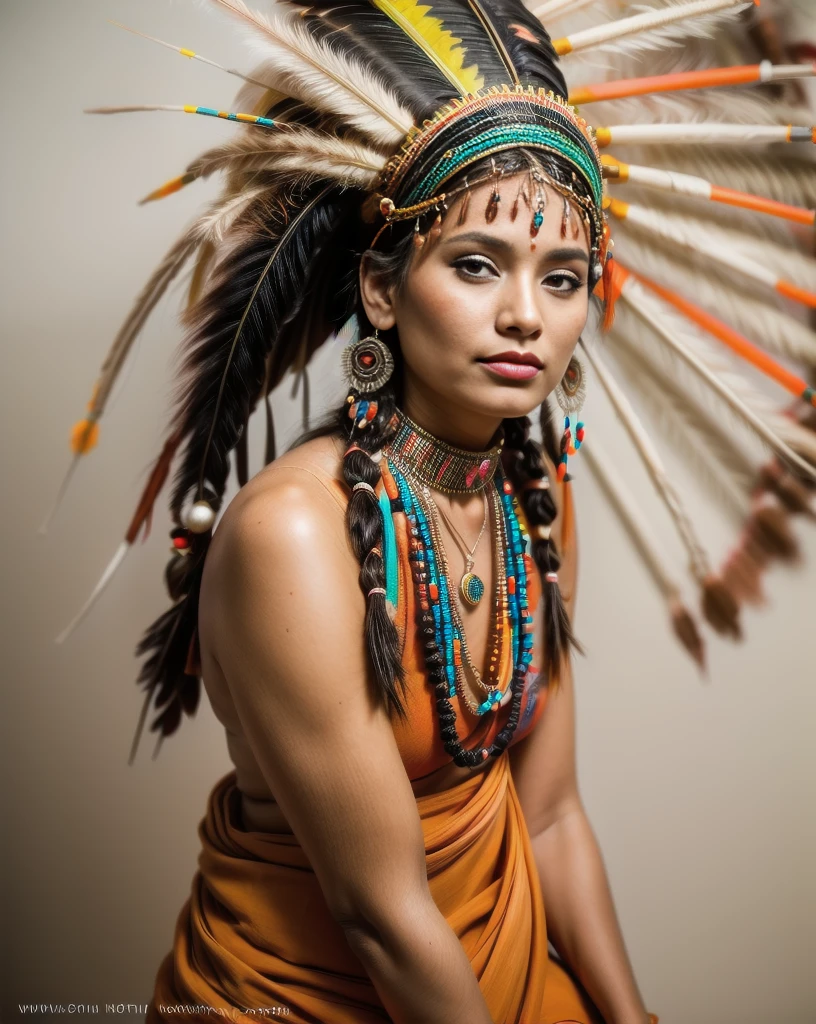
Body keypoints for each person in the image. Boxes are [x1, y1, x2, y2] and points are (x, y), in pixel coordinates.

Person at [56, 0, 816, 1021]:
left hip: (493, 966)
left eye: (563, 277)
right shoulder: (293, 539)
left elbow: (546, 818)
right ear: (381, 286)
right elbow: (376, 912)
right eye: (475, 264)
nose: (525, 316)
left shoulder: (538, 502)